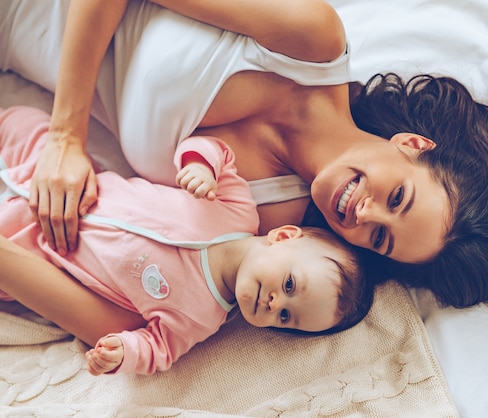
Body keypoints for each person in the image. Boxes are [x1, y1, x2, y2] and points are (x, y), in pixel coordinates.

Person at [0, 0, 488, 314]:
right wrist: (66, 136)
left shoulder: (271, 222)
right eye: (398, 197)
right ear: (413, 146)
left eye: (381, 238)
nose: (364, 215)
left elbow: (143, 280)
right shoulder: (310, 42)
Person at [0, 106, 373, 375]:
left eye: (286, 318)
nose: (275, 304)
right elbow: (218, 152)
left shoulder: (198, 319)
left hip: (42, 243)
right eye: (290, 285)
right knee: (22, 121)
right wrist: (200, 166)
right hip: (77, 183)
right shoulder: (237, 210)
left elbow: (156, 350)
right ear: (284, 235)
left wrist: (122, 353)